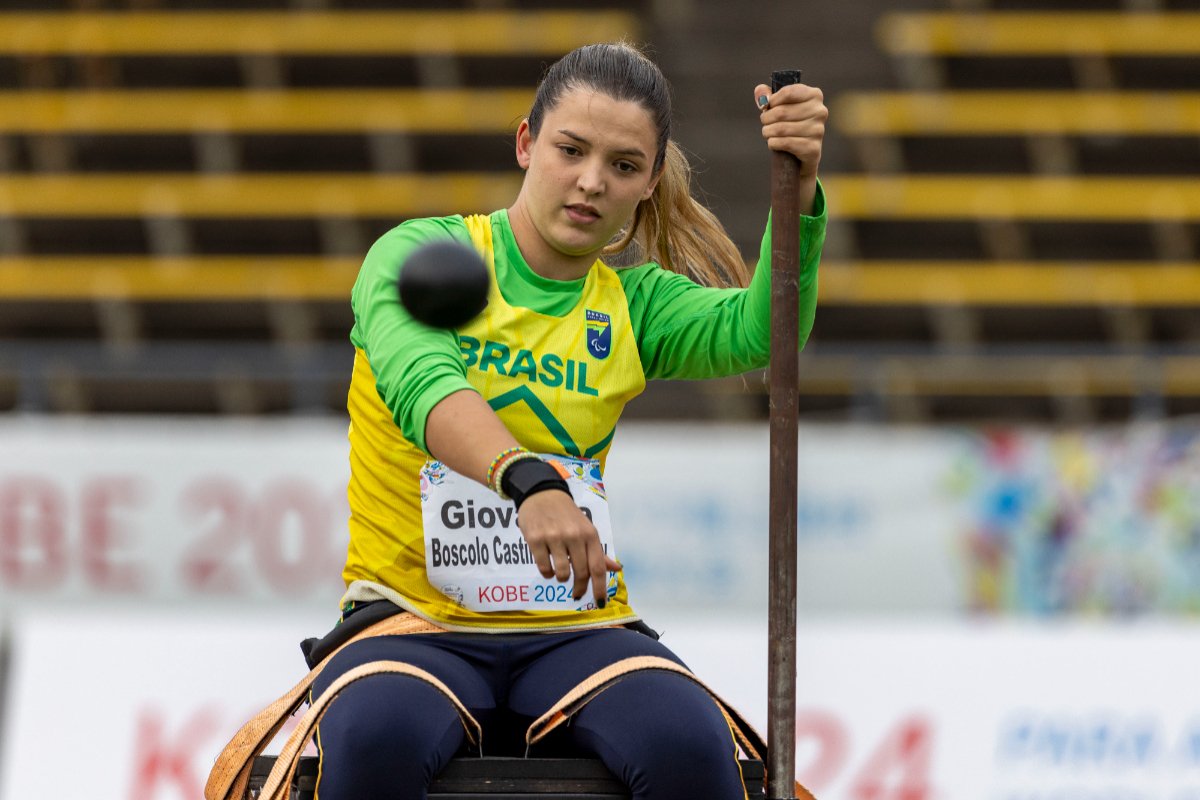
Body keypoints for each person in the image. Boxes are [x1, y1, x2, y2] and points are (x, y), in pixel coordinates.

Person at [316, 41, 826, 799]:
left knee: (689, 746)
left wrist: (803, 193)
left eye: (623, 166)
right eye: (570, 150)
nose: (591, 181)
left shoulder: (634, 304)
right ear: (527, 143)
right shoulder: (420, 257)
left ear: (650, 182)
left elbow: (765, 334)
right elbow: (424, 385)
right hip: (411, 622)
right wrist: (529, 481)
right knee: (374, 740)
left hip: (573, 631)